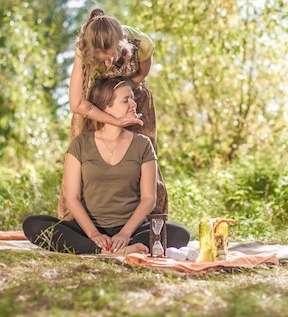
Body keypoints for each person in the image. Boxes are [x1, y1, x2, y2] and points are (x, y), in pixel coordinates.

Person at [23, 77, 190, 255]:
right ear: (105, 107)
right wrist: (93, 234)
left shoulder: (143, 144)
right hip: (87, 230)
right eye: (126, 100)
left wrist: (125, 234)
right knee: (33, 224)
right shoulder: (81, 144)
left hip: (131, 230)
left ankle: (114, 247)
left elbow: (149, 199)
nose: (133, 104)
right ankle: (103, 250)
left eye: (132, 98)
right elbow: (72, 197)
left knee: (180, 234)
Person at [57, 7, 168, 221]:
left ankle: (150, 221)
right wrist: (113, 118)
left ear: (122, 42)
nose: (107, 63)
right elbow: (77, 103)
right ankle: (77, 219)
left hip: (133, 95)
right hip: (94, 104)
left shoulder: (141, 43)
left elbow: (142, 72)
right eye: (101, 58)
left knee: (145, 153)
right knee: (84, 153)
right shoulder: (84, 48)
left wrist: (125, 98)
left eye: (111, 56)